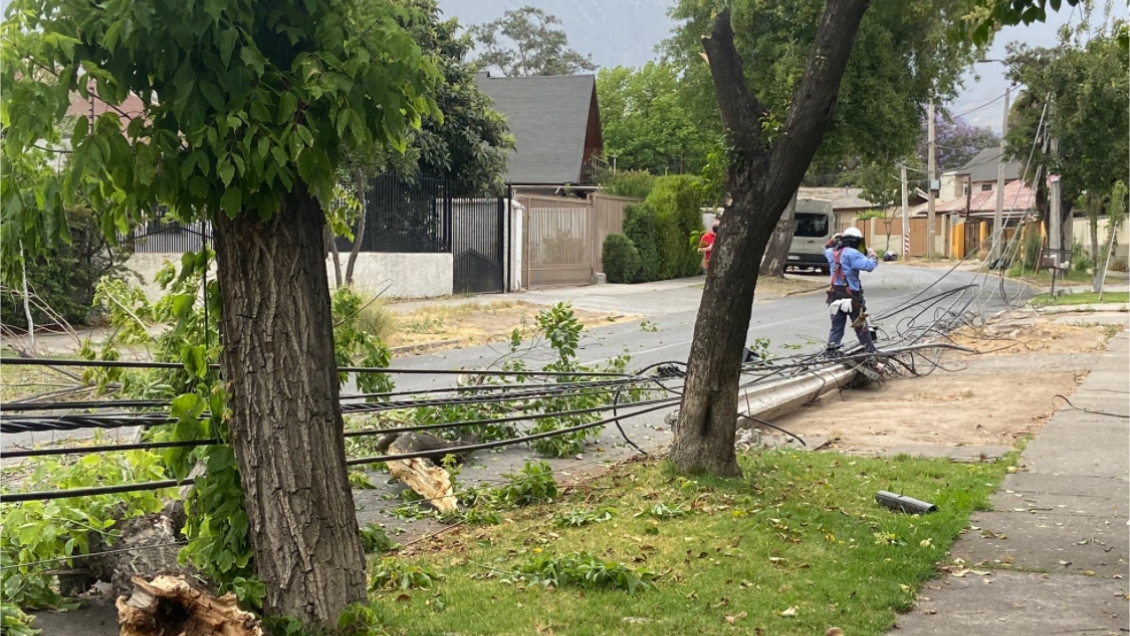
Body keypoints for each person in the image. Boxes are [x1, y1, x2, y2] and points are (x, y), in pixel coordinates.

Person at [825, 226, 879, 355]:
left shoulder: (831, 253)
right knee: (861, 327)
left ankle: (831, 353)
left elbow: (826, 248)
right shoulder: (854, 254)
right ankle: (870, 352)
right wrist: (873, 256)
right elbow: (869, 266)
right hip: (853, 298)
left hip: (835, 296)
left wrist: (833, 241)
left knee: (836, 328)